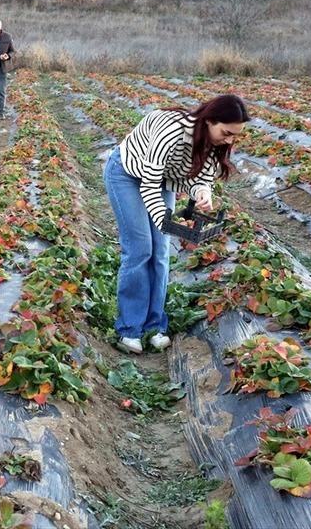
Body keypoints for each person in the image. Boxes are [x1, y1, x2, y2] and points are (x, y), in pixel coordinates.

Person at [103, 94, 250, 354]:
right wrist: (166, 221)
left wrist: (203, 194)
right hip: (127, 174)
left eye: (235, 136)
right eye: (226, 133)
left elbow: (201, 179)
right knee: (140, 249)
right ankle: (129, 330)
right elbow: (149, 183)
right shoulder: (171, 130)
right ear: (209, 121)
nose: (229, 140)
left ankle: (154, 326)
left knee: (160, 253)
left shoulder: (215, 143)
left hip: (163, 181)